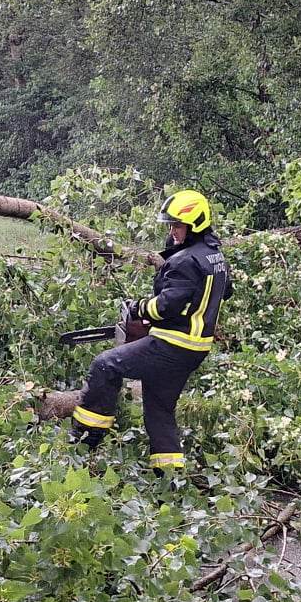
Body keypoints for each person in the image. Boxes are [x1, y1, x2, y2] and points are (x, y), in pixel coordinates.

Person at [70, 188, 231, 469]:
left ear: (195, 224)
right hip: (195, 348)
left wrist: (139, 308)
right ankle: (169, 476)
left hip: (172, 345)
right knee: (159, 410)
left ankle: (84, 441)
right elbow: (223, 292)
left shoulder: (185, 261)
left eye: (177, 225)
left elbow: (166, 306)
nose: (172, 231)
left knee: (105, 365)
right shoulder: (215, 257)